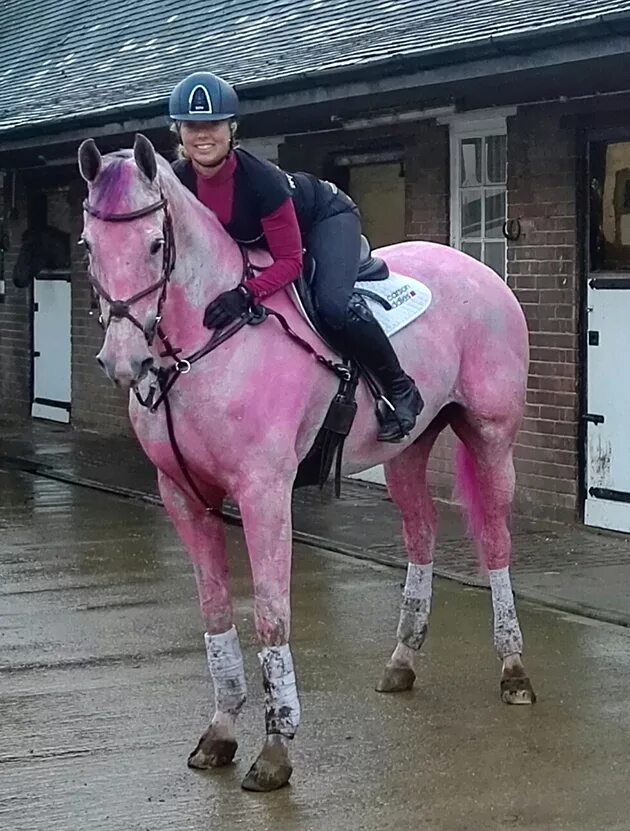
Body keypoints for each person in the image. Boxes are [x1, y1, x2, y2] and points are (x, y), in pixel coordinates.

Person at [168, 71, 422, 442]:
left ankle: (400, 388)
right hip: (262, 241)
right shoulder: (178, 182)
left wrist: (245, 294)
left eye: (213, 124)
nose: (203, 135)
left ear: (231, 128)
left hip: (324, 217)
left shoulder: (261, 180)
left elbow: (290, 262)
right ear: (179, 132)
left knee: (333, 306)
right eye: (192, 126)